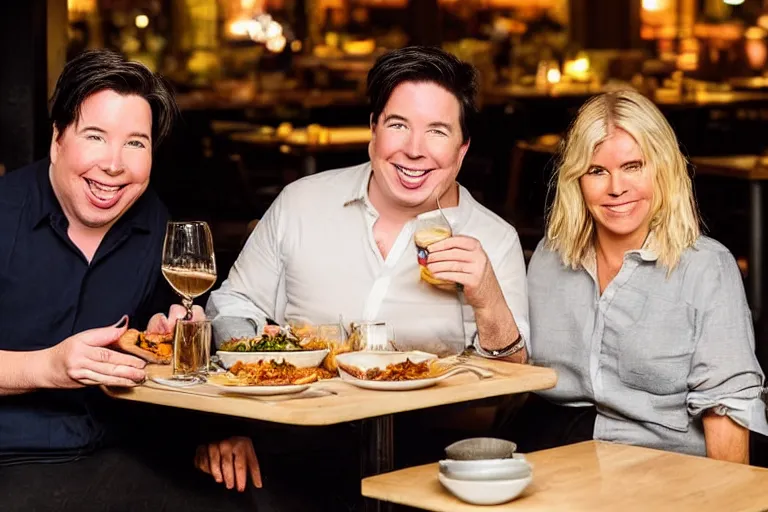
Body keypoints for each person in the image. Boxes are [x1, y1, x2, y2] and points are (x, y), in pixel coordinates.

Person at [199, 46, 529, 507]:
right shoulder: (301, 203)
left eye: (437, 131)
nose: (414, 149)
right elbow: (233, 305)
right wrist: (236, 410)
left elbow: (512, 387)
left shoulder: (494, 239)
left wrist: (488, 299)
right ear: (373, 129)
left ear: (462, 147)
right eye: (398, 125)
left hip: (430, 462)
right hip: (295, 446)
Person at [0, 49, 257, 512]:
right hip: (11, 458)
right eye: (95, 136)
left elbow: (156, 342)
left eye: (135, 143)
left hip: (122, 454)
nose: (114, 165)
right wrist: (47, 367)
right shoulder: (4, 213)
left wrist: (167, 343)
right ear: (57, 139)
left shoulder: (155, 224)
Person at [514, 89, 768, 462]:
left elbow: (726, 408)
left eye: (633, 166)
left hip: (660, 466)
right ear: (577, 181)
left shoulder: (707, 268)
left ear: (662, 169)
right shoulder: (550, 258)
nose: (616, 188)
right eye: (597, 171)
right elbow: (513, 376)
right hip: (554, 457)